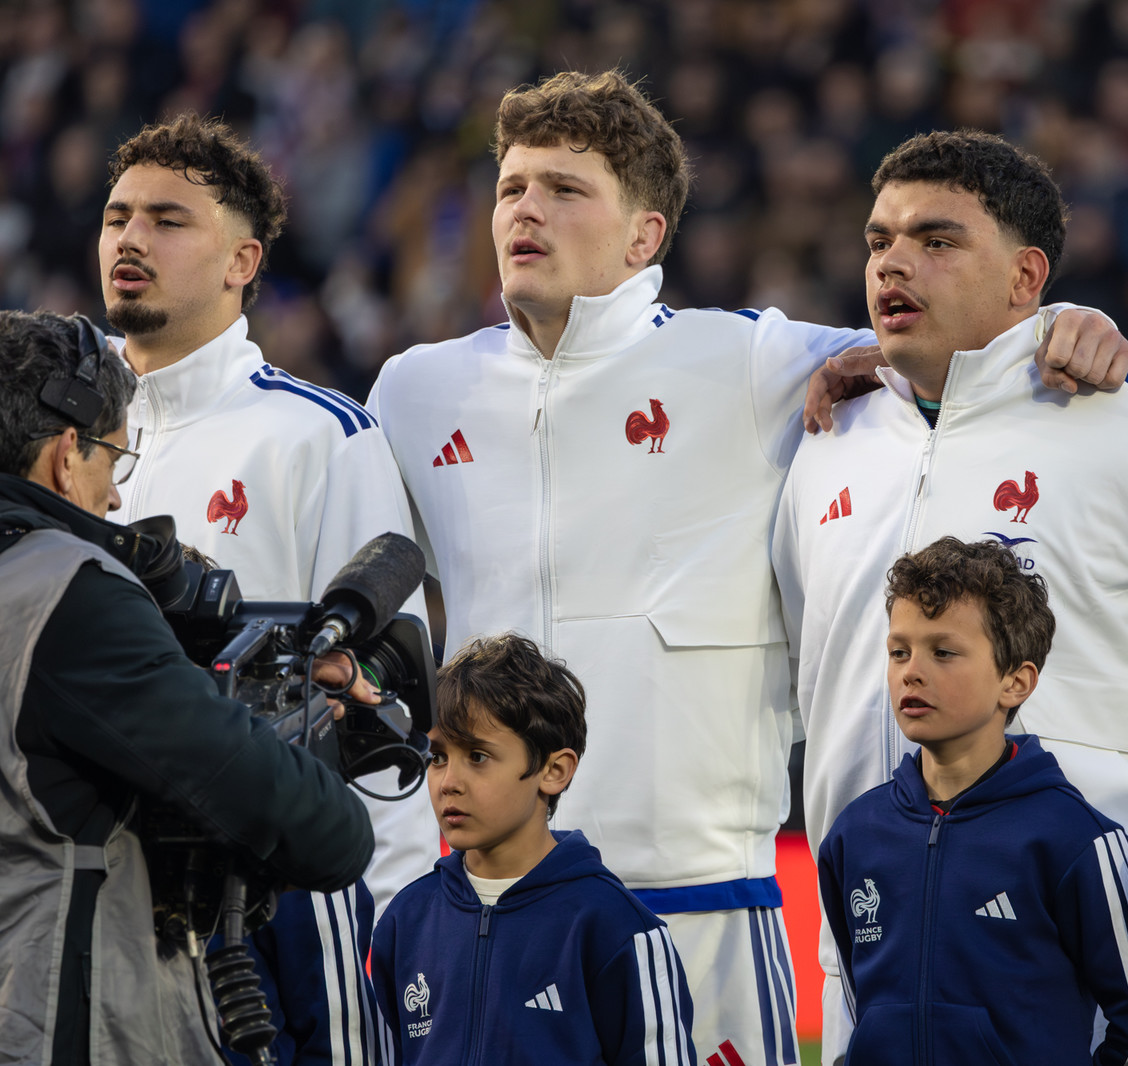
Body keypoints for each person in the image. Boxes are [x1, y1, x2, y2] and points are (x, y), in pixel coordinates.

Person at [367, 71, 1123, 1063]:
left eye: (564, 189)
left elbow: (950, 337)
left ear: (644, 237)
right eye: (512, 187)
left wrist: (1068, 323)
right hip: (490, 905)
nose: (525, 210)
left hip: (704, 905)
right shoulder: (417, 393)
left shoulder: (750, 362)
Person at [771, 129, 1128, 1059]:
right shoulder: (829, 435)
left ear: (1027, 278)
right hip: (873, 930)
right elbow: (803, 666)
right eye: (879, 240)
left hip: (1078, 949)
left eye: (936, 241)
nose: (894, 261)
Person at [98, 114, 435, 1064]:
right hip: (100, 884)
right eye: (118, 215)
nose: (130, 238)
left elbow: (386, 711)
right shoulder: (63, 439)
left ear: (244, 259)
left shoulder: (319, 436)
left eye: (168, 220)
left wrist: (392, 921)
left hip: (280, 906)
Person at [0, 309, 375, 1066]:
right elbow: (320, 828)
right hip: (57, 1026)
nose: (112, 499)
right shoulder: (68, 590)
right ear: (66, 456)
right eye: (112, 458)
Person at [817, 538, 1128, 1065]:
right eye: (899, 651)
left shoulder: (1076, 838)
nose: (912, 671)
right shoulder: (855, 834)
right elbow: (863, 1007)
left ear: (1015, 682)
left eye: (943, 651)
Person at [373, 633, 695, 1065]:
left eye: (478, 756)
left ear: (554, 770)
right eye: (437, 757)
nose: (448, 781)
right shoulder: (404, 920)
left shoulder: (616, 927)